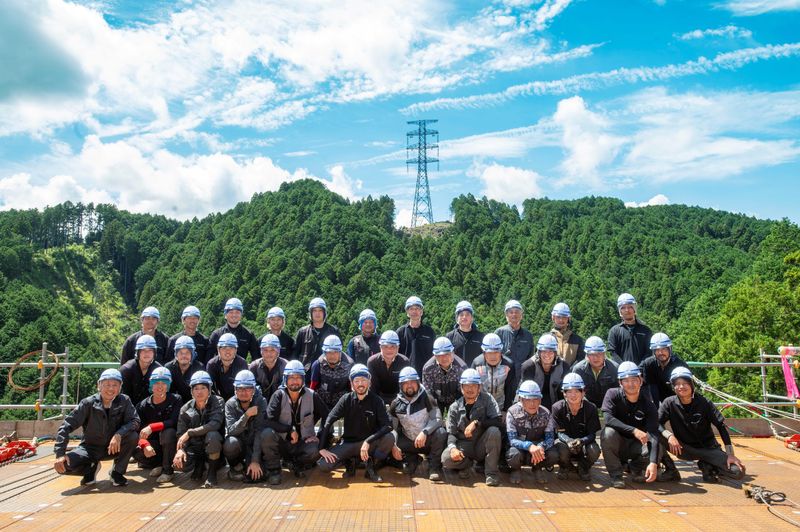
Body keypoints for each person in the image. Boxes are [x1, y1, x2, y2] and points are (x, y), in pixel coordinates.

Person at [53, 369, 139, 487]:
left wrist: (119, 434)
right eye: (107, 384)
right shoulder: (87, 403)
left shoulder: (124, 401)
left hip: (114, 448)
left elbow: (135, 421)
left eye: (115, 385)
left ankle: (117, 472)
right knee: (63, 465)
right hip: (90, 449)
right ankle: (90, 469)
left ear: (120, 387)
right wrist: (60, 454)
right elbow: (65, 427)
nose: (111, 388)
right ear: (99, 385)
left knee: (133, 436)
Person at [659, 367, 746, 483]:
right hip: (683, 448)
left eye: (685, 383)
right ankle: (671, 470)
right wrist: (669, 435)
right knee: (654, 435)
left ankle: (708, 466)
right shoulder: (669, 403)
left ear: (692, 384)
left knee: (738, 471)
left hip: (708, 448)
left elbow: (721, 426)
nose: (681, 387)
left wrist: (730, 454)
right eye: (677, 384)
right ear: (673, 386)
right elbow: (656, 423)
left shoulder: (704, 402)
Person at [317, 364, 394, 482]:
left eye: (363, 380)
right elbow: (329, 420)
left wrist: (368, 441)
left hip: (369, 444)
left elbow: (388, 426)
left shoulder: (377, 400)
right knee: (323, 465)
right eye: (356, 381)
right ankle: (350, 461)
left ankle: (372, 467)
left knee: (389, 438)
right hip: (348, 443)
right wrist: (321, 448)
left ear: (369, 382)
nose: (360, 384)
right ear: (352, 384)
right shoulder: (346, 399)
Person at [263, 360, 329, 484]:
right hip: (283, 444)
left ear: (303, 379)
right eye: (291, 378)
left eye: (298, 377)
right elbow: (267, 422)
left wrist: (319, 437)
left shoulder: (312, 395)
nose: (295, 381)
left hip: (303, 443)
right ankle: (274, 470)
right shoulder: (278, 395)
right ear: (285, 379)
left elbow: (328, 417)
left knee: (316, 449)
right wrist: (289, 429)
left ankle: (297, 464)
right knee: (266, 434)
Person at [601, 361, 661, 488]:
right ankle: (616, 475)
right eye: (626, 380)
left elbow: (653, 433)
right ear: (620, 382)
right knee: (607, 433)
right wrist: (634, 430)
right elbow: (608, 419)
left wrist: (653, 462)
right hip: (618, 443)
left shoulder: (648, 403)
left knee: (657, 447)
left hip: (636, 445)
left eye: (634, 380)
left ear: (641, 381)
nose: (631, 384)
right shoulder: (612, 394)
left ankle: (635, 467)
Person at [441, 368, 503, 486]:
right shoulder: (454, 407)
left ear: (479, 387)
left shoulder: (487, 399)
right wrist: (453, 449)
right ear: (461, 388)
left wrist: (477, 423)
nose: (470, 389)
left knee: (494, 431)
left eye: (474, 385)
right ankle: (466, 464)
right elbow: (451, 433)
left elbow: (498, 421)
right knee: (446, 459)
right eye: (467, 386)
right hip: (464, 445)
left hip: (481, 443)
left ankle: (491, 473)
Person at [389, 367, 447, 481]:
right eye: (406, 383)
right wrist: (393, 445)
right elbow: (392, 429)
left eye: (412, 382)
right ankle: (412, 459)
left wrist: (425, 432)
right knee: (387, 441)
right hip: (408, 441)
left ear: (418, 383)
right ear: (401, 385)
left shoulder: (427, 397)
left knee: (441, 433)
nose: (409, 386)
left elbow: (438, 419)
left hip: (426, 441)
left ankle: (434, 467)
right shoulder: (395, 403)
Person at [173, 371, 225, 487]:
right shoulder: (185, 408)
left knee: (213, 435)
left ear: (209, 390)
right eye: (196, 388)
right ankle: (199, 464)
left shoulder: (218, 401)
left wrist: (190, 432)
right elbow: (181, 433)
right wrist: (180, 450)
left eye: (203, 388)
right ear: (191, 391)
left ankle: (212, 473)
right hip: (195, 447)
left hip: (214, 447)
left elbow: (215, 424)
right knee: (179, 464)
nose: (199, 392)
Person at [547, 373, 601, 481]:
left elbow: (592, 434)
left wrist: (581, 441)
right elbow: (559, 432)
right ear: (564, 393)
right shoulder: (557, 408)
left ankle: (584, 467)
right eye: (569, 391)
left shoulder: (591, 408)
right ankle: (565, 467)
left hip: (584, 444)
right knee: (560, 447)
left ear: (583, 392)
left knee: (594, 450)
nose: (573, 395)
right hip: (565, 443)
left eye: (577, 391)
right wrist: (569, 441)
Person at [133, 367, 182, 483]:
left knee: (168, 433)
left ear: (168, 385)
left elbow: (174, 421)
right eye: (156, 383)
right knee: (135, 449)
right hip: (153, 443)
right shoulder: (142, 405)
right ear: (151, 384)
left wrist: (152, 427)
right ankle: (158, 464)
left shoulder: (176, 399)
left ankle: (168, 470)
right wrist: (144, 444)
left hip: (171, 442)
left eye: (164, 383)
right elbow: (137, 431)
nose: (160, 386)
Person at [506, 380, 559, 484]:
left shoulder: (546, 413)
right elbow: (512, 440)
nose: (532, 403)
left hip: (538, 447)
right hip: (519, 448)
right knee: (513, 454)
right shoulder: (512, 412)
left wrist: (541, 446)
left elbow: (550, 438)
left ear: (540, 400)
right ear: (521, 399)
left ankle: (537, 468)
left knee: (553, 454)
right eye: (528, 399)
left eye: (536, 399)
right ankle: (515, 470)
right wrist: (529, 446)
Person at [223, 370, 269, 483]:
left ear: (253, 389)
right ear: (235, 390)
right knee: (230, 443)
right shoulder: (230, 404)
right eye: (240, 389)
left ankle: (256, 464)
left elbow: (259, 431)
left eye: (247, 389)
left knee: (257, 476)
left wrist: (255, 460)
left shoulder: (261, 401)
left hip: (255, 444)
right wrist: (246, 415)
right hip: (240, 443)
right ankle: (235, 467)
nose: (243, 392)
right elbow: (231, 431)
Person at [519, 333, 570, 411]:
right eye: (544, 351)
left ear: (555, 352)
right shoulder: (528, 366)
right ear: (539, 352)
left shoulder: (564, 366)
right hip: (532, 404)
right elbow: (524, 393)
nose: (547, 355)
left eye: (551, 351)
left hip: (557, 405)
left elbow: (566, 392)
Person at [293, 297, 342, 374]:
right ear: (311, 313)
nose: (317, 313)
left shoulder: (334, 331)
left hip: (327, 374)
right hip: (305, 374)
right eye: (314, 311)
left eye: (320, 310)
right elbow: (295, 355)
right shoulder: (302, 332)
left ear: (324, 313)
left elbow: (340, 353)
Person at [471, 333, 516, 413]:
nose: (493, 356)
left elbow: (510, 391)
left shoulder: (508, 365)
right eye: (489, 353)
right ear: (484, 352)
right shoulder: (477, 364)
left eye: (496, 352)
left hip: (500, 408)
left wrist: (506, 410)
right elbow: (472, 387)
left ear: (501, 351)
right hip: (480, 408)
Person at [422, 337, 468, 413]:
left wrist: (456, 409)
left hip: (456, 398)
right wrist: (436, 412)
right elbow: (428, 392)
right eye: (440, 355)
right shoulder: (428, 369)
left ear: (453, 352)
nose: (444, 358)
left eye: (447, 354)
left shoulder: (462, 368)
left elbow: (462, 392)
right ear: (435, 355)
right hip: (436, 399)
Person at [571, 336, 619, 409]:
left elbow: (618, 393)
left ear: (604, 353)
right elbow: (574, 392)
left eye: (599, 353)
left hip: (610, 406)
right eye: (592, 354)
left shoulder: (615, 368)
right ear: (586, 355)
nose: (595, 358)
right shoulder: (578, 370)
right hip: (585, 407)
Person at [309, 335, 354, 411]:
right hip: (321, 404)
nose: (332, 356)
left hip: (342, 406)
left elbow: (352, 389)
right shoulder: (317, 364)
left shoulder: (350, 365)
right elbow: (313, 387)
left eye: (335, 352)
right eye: (329, 352)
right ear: (324, 352)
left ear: (340, 351)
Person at [639, 333, 687, 404]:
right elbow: (649, 387)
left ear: (670, 349)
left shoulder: (679, 365)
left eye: (664, 349)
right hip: (655, 399)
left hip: (675, 400)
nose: (660, 352)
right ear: (654, 352)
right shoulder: (648, 364)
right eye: (657, 350)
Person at [208, 298, 260, 362]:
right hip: (220, 368)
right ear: (225, 314)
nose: (234, 315)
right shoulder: (216, 334)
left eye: (237, 312)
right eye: (231, 312)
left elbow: (256, 358)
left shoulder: (249, 334)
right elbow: (208, 358)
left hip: (240, 367)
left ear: (241, 314)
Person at [494, 299, 533, 382]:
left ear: (521, 315)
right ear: (506, 315)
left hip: (521, 379)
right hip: (502, 379)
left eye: (517, 312)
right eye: (511, 312)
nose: (514, 314)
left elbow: (530, 359)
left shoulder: (528, 336)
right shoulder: (499, 333)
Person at [607, 293, 653, 365]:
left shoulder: (646, 331)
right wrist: (624, 368)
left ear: (634, 309)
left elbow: (649, 352)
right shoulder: (614, 331)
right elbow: (613, 353)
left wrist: (640, 368)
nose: (627, 310)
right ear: (620, 311)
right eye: (623, 308)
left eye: (630, 307)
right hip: (621, 371)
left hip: (642, 371)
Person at [367, 330, 410, 405]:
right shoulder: (372, 362)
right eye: (385, 346)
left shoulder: (404, 362)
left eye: (393, 346)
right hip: (377, 399)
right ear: (380, 347)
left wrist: (397, 403)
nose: (389, 349)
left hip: (399, 400)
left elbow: (405, 387)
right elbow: (373, 389)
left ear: (398, 348)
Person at [397, 296, 436, 375]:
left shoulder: (429, 332)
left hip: (426, 374)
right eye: (411, 309)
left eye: (417, 308)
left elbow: (434, 355)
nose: (414, 311)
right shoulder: (400, 332)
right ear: (407, 312)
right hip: (406, 375)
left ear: (421, 311)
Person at [120, 334, 163, 406]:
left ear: (154, 353)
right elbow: (121, 396)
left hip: (150, 408)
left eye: (150, 350)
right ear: (138, 352)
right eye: (143, 350)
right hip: (127, 408)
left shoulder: (159, 370)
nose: (147, 353)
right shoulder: (126, 370)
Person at [206, 332, 249, 401]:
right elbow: (209, 388)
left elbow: (245, 386)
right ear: (218, 349)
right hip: (217, 400)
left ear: (236, 350)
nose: (227, 351)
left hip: (237, 398)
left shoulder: (242, 364)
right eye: (224, 348)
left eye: (231, 348)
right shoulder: (212, 364)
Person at [165, 335, 205, 403]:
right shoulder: (168, 368)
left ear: (192, 354)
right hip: (172, 404)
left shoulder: (199, 368)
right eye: (181, 353)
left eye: (187, 352)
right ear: (176, 354)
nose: (184, 356)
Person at [249, 333, 287, 401]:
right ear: (261, 351)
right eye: (265, 350)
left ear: (278, 351)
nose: (269, 353)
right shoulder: (254, 367)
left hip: (281, 402)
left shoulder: (286, 367)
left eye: (272, 350)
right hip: (258, 403)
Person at [446, 300, 484, 366]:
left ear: (472, 318)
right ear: (457, 318)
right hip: (455, 372)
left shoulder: (481, 337)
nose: (464, 317)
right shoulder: (450, 337)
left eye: (467, 314)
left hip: (475, 371)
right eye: (461, 315)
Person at [549, 302, 585, 367]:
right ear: (553, 317)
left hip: (572, 373)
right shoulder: (547, 338)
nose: (561, 320)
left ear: (568, 318)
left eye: (564, 317)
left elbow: (581, 360)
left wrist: (569, 371)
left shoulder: (577, 340)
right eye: (558, 317)